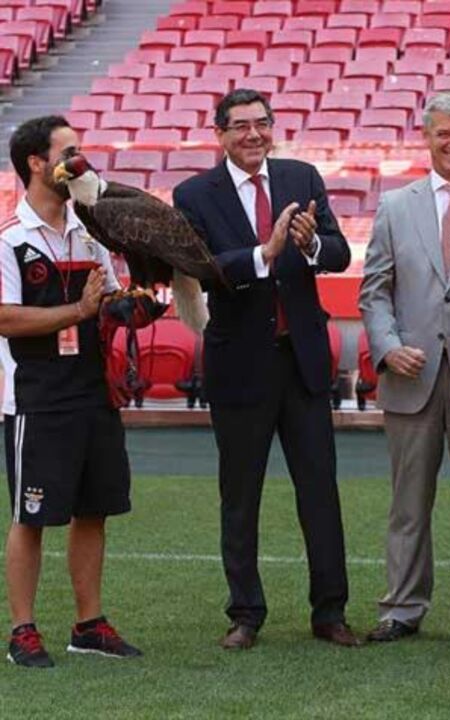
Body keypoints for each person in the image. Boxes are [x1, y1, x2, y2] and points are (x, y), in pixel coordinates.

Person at [173, 89, 358, 650]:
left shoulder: (302, 177)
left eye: (262, 124)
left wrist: (306, 247)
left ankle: (330, 613)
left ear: (272, 128)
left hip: (301, 361)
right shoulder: (193, 193)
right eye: (240, 126)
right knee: (240, 494)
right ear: (220, 134)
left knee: (319, 491)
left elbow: (340, 253)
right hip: (239, 365)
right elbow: (202, 269)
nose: (253, 134)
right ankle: (246, 614)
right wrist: (266, 251)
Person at [359, 93, 450, 645]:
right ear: (427, 136)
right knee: (406, 505)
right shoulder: (396, 207)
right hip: (409, 380)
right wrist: (388, 345)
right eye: (444, 133)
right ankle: (401, 607)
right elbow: (374, 292)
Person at [1, 115, 141, 668]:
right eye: (69, 152)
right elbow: (6, 318)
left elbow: (105, 298)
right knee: (31, 516)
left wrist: (131, 307)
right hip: (36, 396)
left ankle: (88, 625)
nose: (80, 161)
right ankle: (22, 631)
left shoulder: (91, 229)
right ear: (37, 163)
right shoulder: (11, 240)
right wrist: (78, 311)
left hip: (92, 389)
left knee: (94, 510)